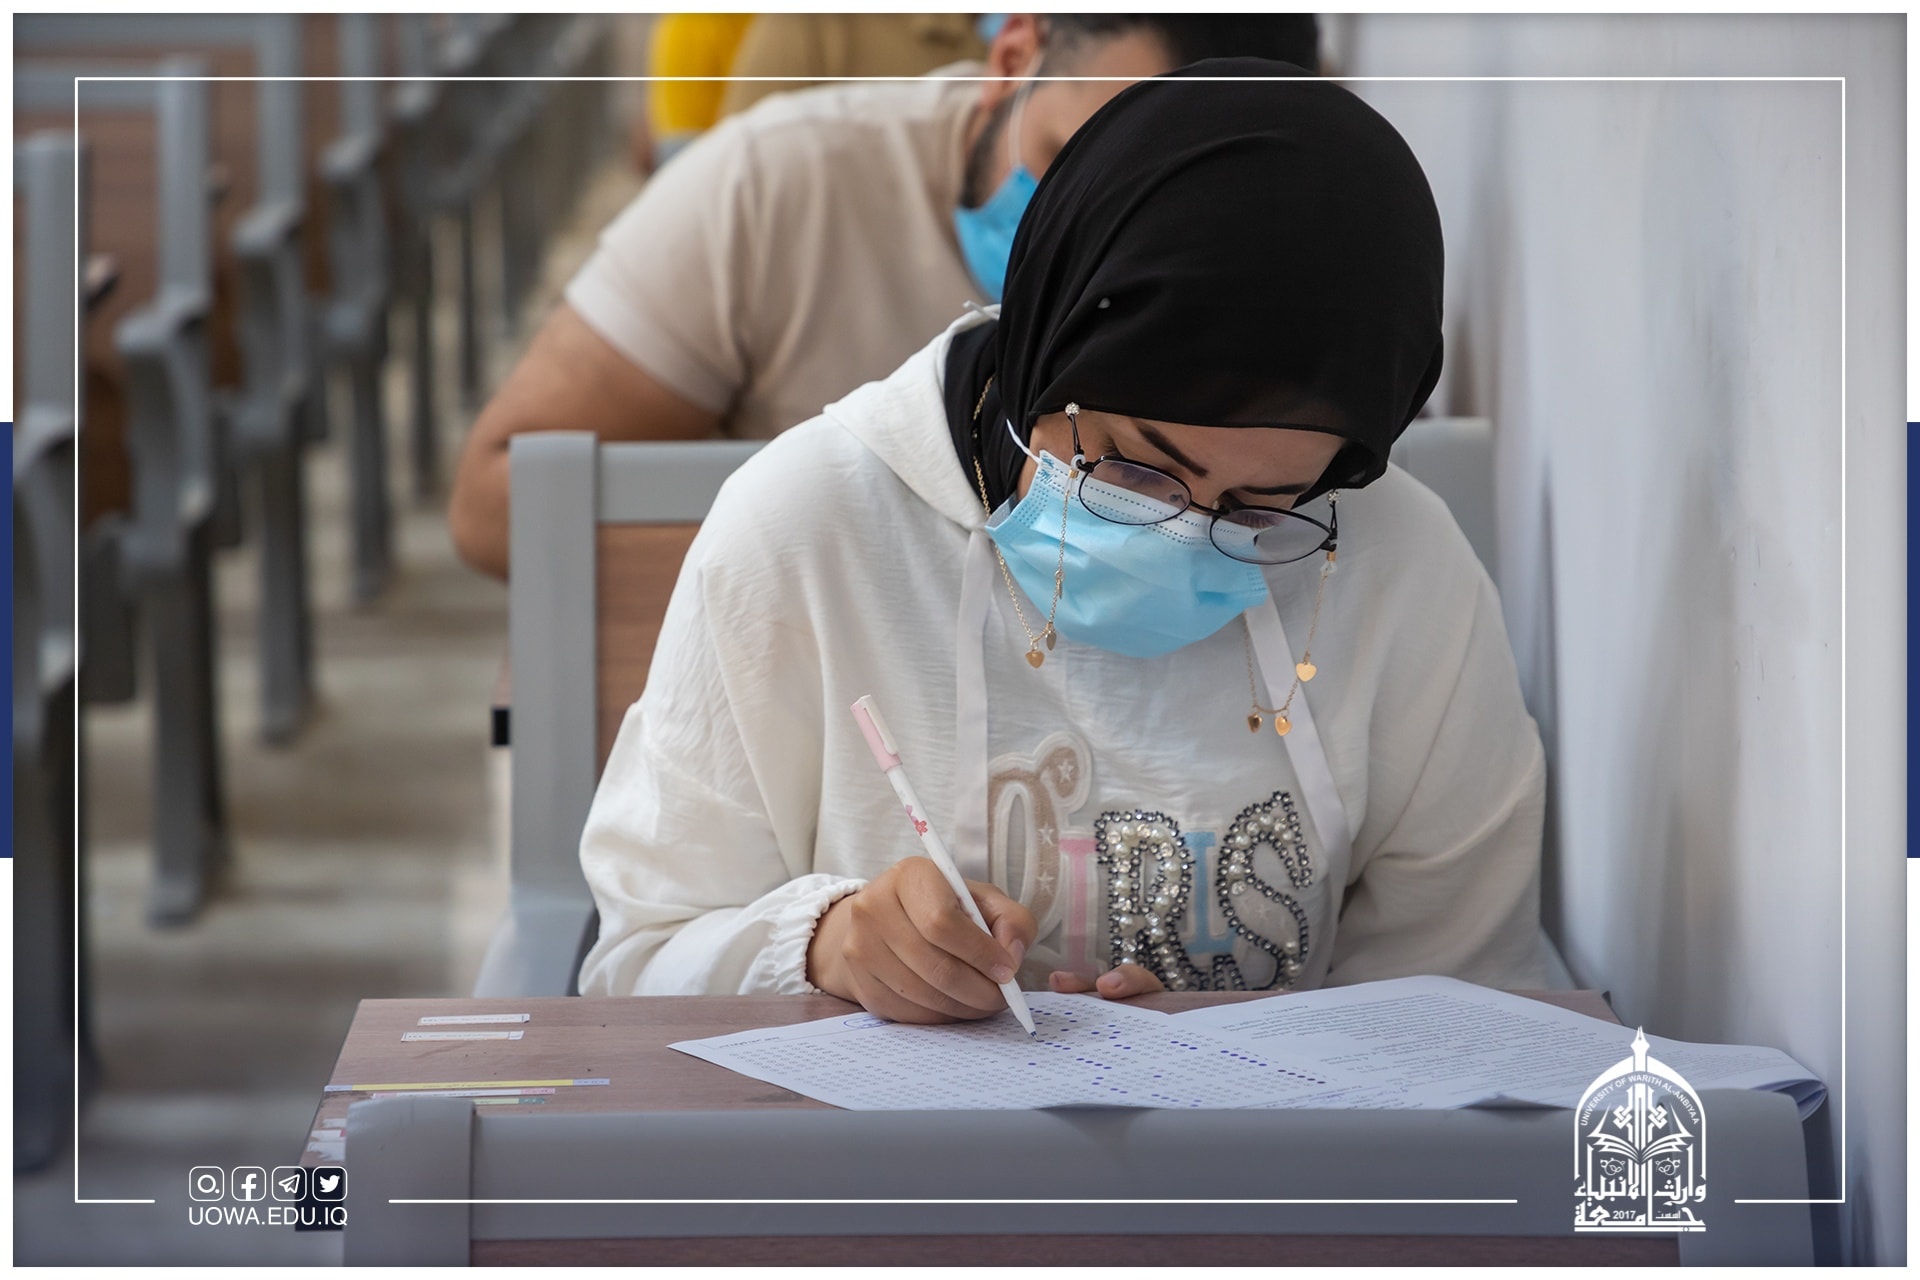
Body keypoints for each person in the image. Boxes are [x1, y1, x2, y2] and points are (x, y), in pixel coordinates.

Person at [575, 62, 1548, 1018]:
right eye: (1134, 466)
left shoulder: (1397, 566)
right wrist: (827, 944)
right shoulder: (810, 528)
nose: (1182, 534)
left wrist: (1245, 1045)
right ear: (1046, 348)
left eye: (1261, 506)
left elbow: (1469, 990)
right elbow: (640, 959)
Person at [448, 14, 1321, 579]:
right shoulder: (776, 183)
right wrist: (869, 575)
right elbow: (495, 503)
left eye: (1153, 214)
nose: (1084, 243)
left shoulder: (1282, 273)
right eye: (1068, 164)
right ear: (1012, 60)